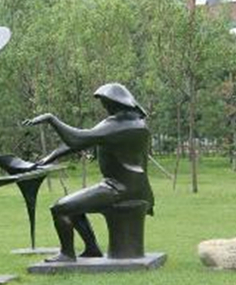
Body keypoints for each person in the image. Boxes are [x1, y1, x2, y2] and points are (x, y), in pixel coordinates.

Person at [23, 83, 154, 262]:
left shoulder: (122, 126)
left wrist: (52, 119)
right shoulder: (134, 123)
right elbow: (85, 139)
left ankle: (67, 254)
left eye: (105, 103)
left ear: (116, 103)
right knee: (73, 205)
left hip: (120, 188)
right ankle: (92, 249)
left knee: (60, 209)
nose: (104, 107)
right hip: (130, 186)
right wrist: (49, 158)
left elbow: (78, 139)